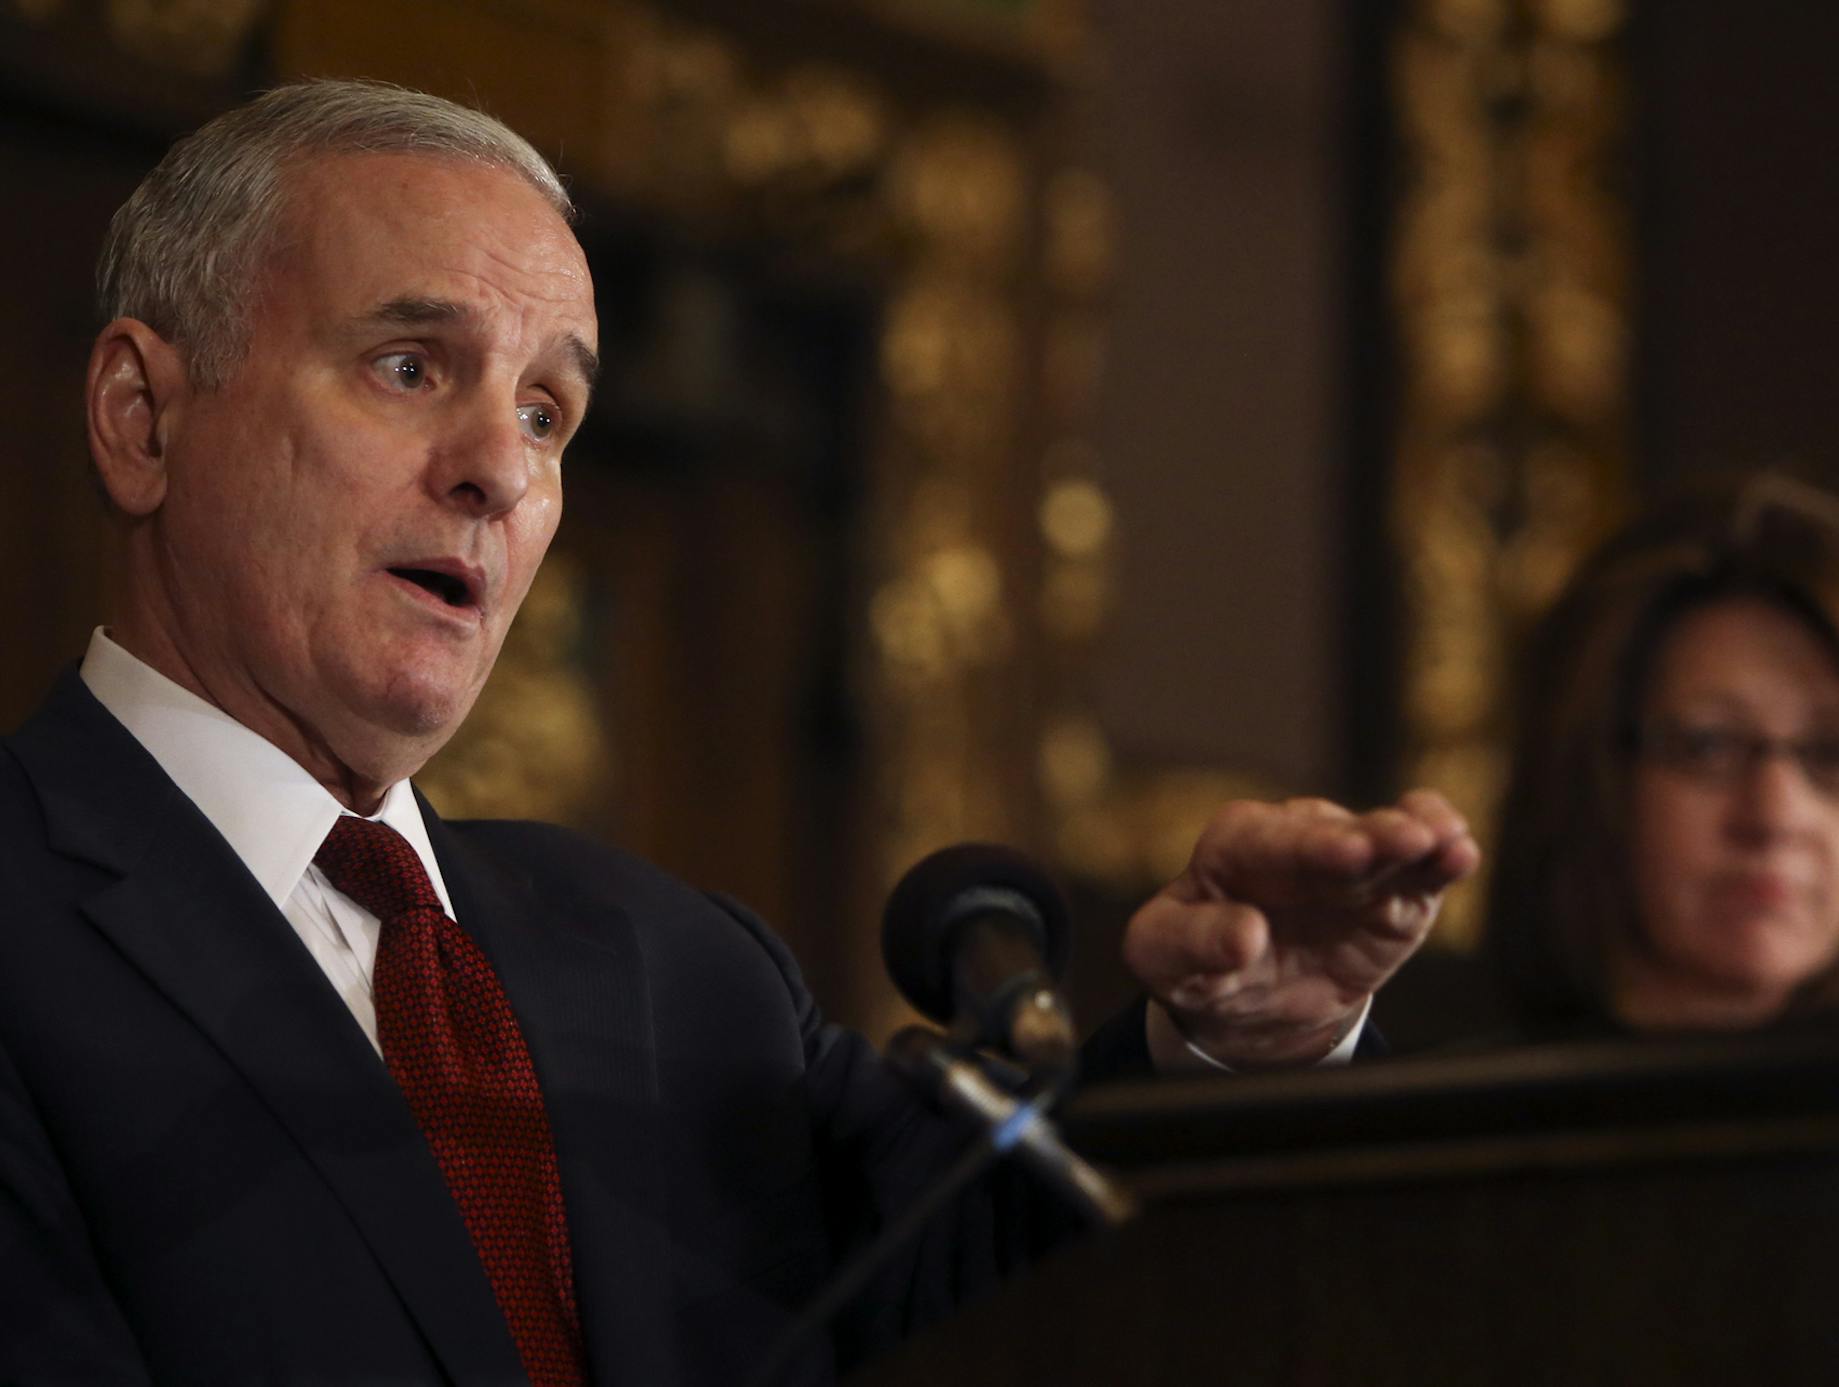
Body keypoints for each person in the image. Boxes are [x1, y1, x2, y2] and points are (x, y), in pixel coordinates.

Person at [0, 81, 1478, 1385]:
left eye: (546, 412)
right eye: (409, 366)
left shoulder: (681, 972)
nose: (496, 474)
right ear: (143, 415)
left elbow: (1015, 1289)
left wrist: (1230, 1046)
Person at [1479, 473, 1839, 1034]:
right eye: (1708, 747)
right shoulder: (1455, 1111)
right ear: (1594, 776)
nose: (1775, 816)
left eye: (1837, 756)